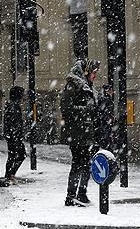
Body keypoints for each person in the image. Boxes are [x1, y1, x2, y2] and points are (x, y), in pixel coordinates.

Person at [59, 59, 99, 207]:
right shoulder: (73, 86)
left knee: (86, 164)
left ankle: (81, 193)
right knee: (78, 164)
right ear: (86, 72)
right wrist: (85, 110)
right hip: (76, 133)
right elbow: (66, 108)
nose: (95, 76)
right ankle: (71, 196)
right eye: (93, 73)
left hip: (87, 132)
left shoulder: (87, 86)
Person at [4, 85, 26, 184]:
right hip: (14, 136)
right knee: (20, 155)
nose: (23, 96)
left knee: (12, 155)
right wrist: (17, 134)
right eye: (22, 94)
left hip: (12, 135)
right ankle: (10, 175)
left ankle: (9, 174)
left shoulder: (11, 105)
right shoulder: (14, 106)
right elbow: (14, 123)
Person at [97, 84, 117, 153]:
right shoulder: (106, 99)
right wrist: (109, 118)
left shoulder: (105, 99)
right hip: (105, 125)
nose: (112, 92)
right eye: (110, 90)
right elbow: (104, 112)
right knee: (106, 142)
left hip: (105, 125)